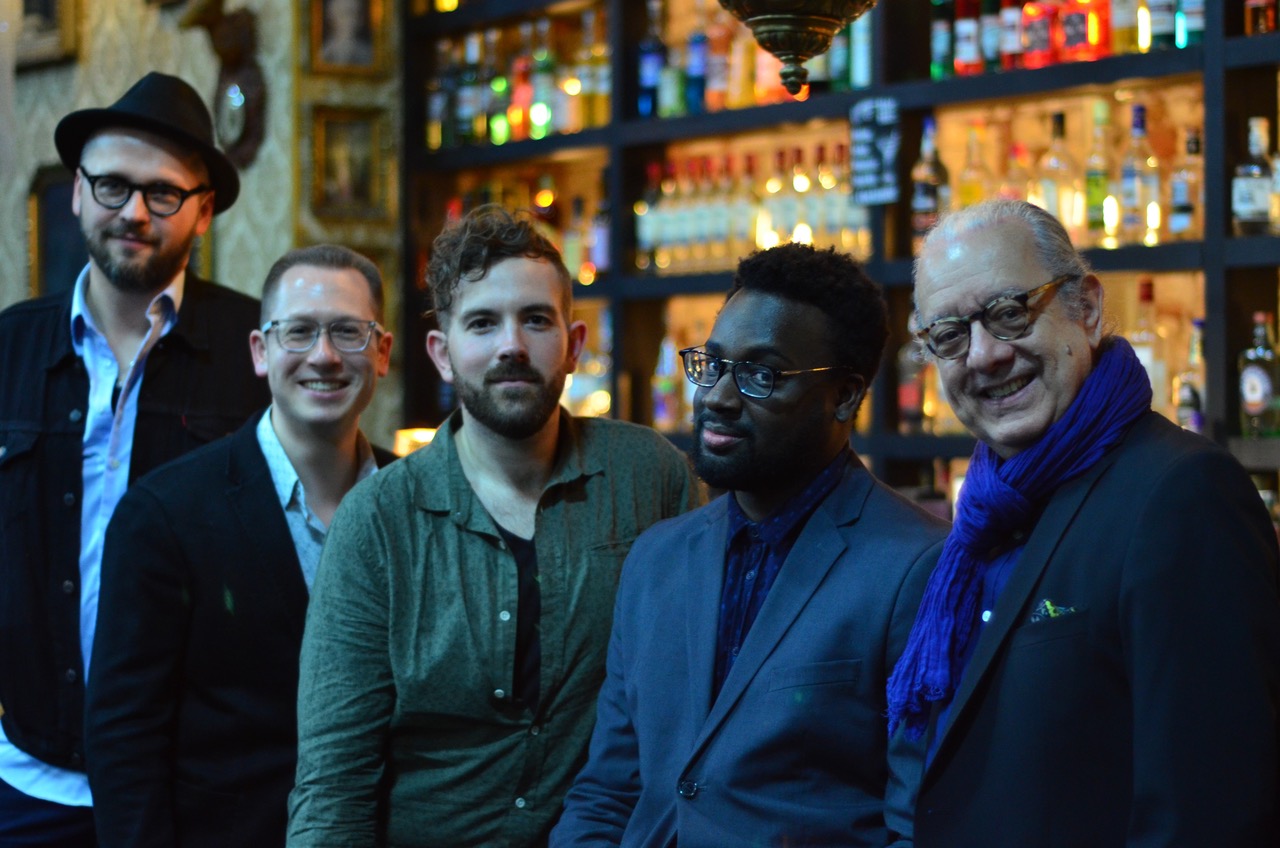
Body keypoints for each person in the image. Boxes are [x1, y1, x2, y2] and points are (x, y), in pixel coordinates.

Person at [286, 205, 702, 848]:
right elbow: (333, 782)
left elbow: (699, 699)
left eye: (536, 319)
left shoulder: (648, 476)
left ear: (575, 345)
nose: (512, 345)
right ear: (442, 353)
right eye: (482, 323)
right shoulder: (378, 521)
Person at [890, 199, 1280, 845]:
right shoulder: (981, 520)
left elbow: (1210, 812)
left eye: (1009, 313)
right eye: (951, 335)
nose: (984, 355)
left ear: (1088, 308)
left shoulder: (1182, 494)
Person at [551, 243, 950, 848]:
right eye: (711, 364)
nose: (717, 396)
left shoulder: (918, 567)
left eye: (762, 375)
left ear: (845, 395)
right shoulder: (656, 558)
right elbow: (608, 792)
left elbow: (917, 825)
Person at [0, 72, 269, 845]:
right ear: (77, 193)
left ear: (204, 209)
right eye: (112, 186)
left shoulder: (256, 352)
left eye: (163, 193)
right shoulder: (10, 346)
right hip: (28, 781)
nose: (134, 212)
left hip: (197, 790)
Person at [83, 245, 397, 848]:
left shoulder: (417, 500)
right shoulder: (165, 514)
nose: (324, 355)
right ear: (260, 351)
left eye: (347, 332)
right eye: (298, 332)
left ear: (381, 352)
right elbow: (124, 738)